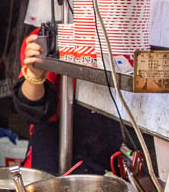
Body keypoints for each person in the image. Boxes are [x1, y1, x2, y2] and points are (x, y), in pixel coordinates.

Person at [12, 27, 127, 175]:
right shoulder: (51, 36)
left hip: (112, 160)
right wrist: (35, 75)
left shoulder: (132, 39)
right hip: (54, 159)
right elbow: (33, 107)